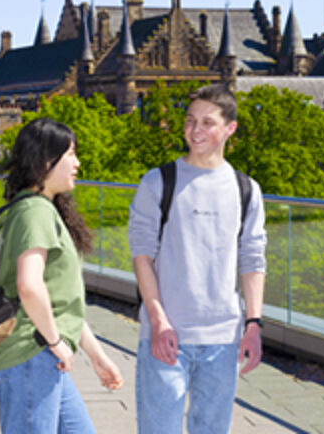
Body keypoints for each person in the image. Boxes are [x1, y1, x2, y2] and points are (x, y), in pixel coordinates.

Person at [127, 83, 267, 434]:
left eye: (207, 122)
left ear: (230, 129)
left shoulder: (246, 189)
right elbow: (142, 256)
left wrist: (253, 324)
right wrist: (158, 320)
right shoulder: (158, 182)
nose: (195, 130)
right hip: (166, 334)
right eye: (191, 120)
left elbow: (253, 259)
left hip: (224, 338)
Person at [0, 117, 123, 433]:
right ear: (46, 161)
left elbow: (60, 301)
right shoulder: (35, 212)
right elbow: (29, 286)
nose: (78, 162)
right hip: (29, 356)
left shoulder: (41, 209)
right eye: (70, 154)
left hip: (38, 355)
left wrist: (97, 357)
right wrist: (55, 341)